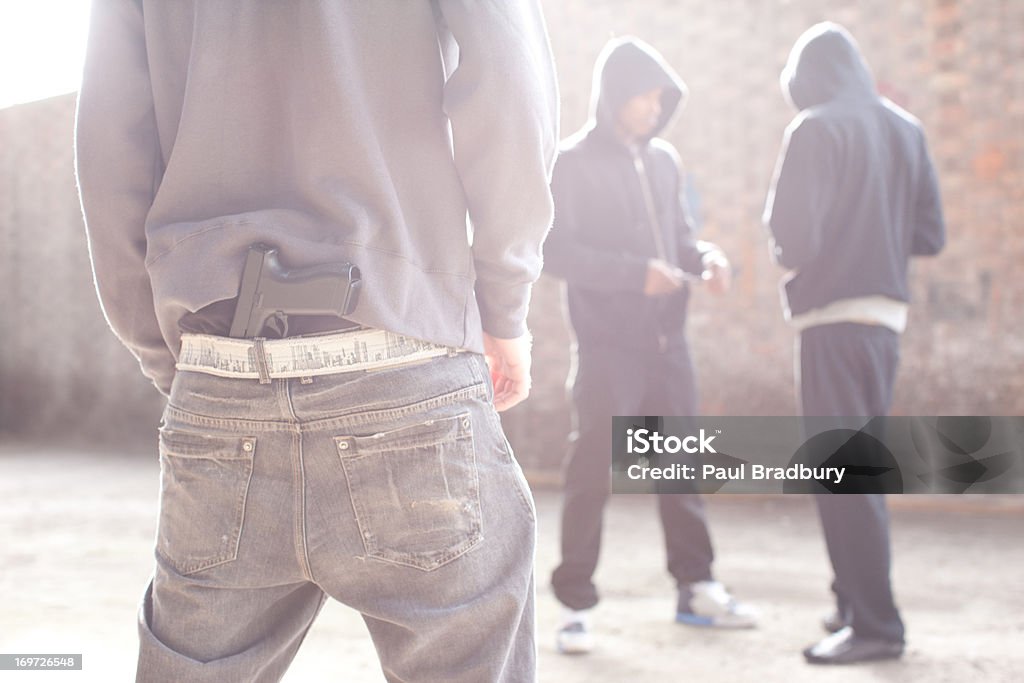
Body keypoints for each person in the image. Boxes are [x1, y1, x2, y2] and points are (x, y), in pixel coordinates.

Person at [75, 2, 558, 681]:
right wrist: (503, 306)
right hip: (403, 354)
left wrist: (179, 362)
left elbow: (110, 149)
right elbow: (510, 80)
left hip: (221, 370)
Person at [543, 36, 756, 655]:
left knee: (682, 463)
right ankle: (575, 604)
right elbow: (557, 253)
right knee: (593, 471)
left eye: (662, 98)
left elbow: (682, 238)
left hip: (669, 342)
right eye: (645, 96)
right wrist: (634, 273)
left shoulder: (665, 161)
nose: (655, 108)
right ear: (614, 96)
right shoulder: (571, 162)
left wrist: (707, 257)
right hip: (608, 346)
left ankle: (696, 589)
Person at [763, 22, 945, 664]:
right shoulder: (907, 128)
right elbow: (930, 237)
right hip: (884, 323)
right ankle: (851, 604)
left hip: (832, 318)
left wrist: (800, 252)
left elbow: (793, 236)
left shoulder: (814, 127)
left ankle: (874, 626)